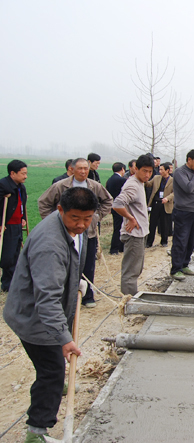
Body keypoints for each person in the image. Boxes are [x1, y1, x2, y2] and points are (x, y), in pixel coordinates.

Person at [3, 187, 98, 443]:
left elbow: (69, 263)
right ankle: (37, 431)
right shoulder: (50, 244)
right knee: (51, 372)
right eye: (75, 218)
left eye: (87, 218)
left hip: (45, 312)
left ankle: (56, 387)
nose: (81, 225)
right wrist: (65, 339)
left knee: (52, 366)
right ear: (60, 210)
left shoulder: (72, 227)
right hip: (34, 317)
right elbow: (46, 300)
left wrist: (76, 280)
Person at [38, 158, 113, 307]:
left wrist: (96, 217)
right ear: (72, 169)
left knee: (88, 264)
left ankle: (87, 296)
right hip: (65, 233)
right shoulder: (61, 186)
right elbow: (43, 202)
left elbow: (108, 201)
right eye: (80, 168)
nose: (83, 171)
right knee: (64, 264)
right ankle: (64, 296)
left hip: (88, 233)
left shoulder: (94, 186)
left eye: (86, 168)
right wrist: (53, 221)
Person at [112, 155, 153, 295]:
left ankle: (131, 295)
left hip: (140, 232)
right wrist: (130, 218)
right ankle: (129, 300)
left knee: (136, 268)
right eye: (144, 171)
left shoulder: (139, 182)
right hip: (133, 233)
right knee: (131, 270)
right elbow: (117, 204)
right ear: (136, 169)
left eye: (150, 171)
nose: (147, 175)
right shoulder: (132, 185)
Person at [170, 149, 194, 281]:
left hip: (193, 211)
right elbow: (187, 188)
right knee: (180, 240)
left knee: (191, 241)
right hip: (182, 212)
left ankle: (185, 265)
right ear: (189, 160)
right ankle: (176, 269)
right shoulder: (180, 172)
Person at [0, 160, 28, 292]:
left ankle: (14, 281)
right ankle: (7, 283)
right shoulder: (3, 185)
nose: (25, 176)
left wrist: (23, 218)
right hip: (7, 226)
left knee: (17, 252)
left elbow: (22, 203)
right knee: (8, 255)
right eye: (23, 173)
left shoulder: (21, 186)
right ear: (12, 173)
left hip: (17, 224)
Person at [145, 162, 174, 248]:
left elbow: (174, 192)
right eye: (159, 169)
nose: (160, 171)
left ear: (167, 170)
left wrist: (167, 198)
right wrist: (144, 180)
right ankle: (149, 242)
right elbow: (149, 184)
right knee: (152, 223)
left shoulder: (172, 180)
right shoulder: (156, 177)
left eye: (161, 169)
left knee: (164, 224)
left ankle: (164, 241)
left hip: (165, 204)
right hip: (156, 203)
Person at [106, 162, 127, 255]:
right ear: (122, 169)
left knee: (117, 227)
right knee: (120, 227)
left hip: (113, 206)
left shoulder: (109, 180)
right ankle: (115, 248)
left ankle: (118, 247)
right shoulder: (121, 180)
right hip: (120, 207)